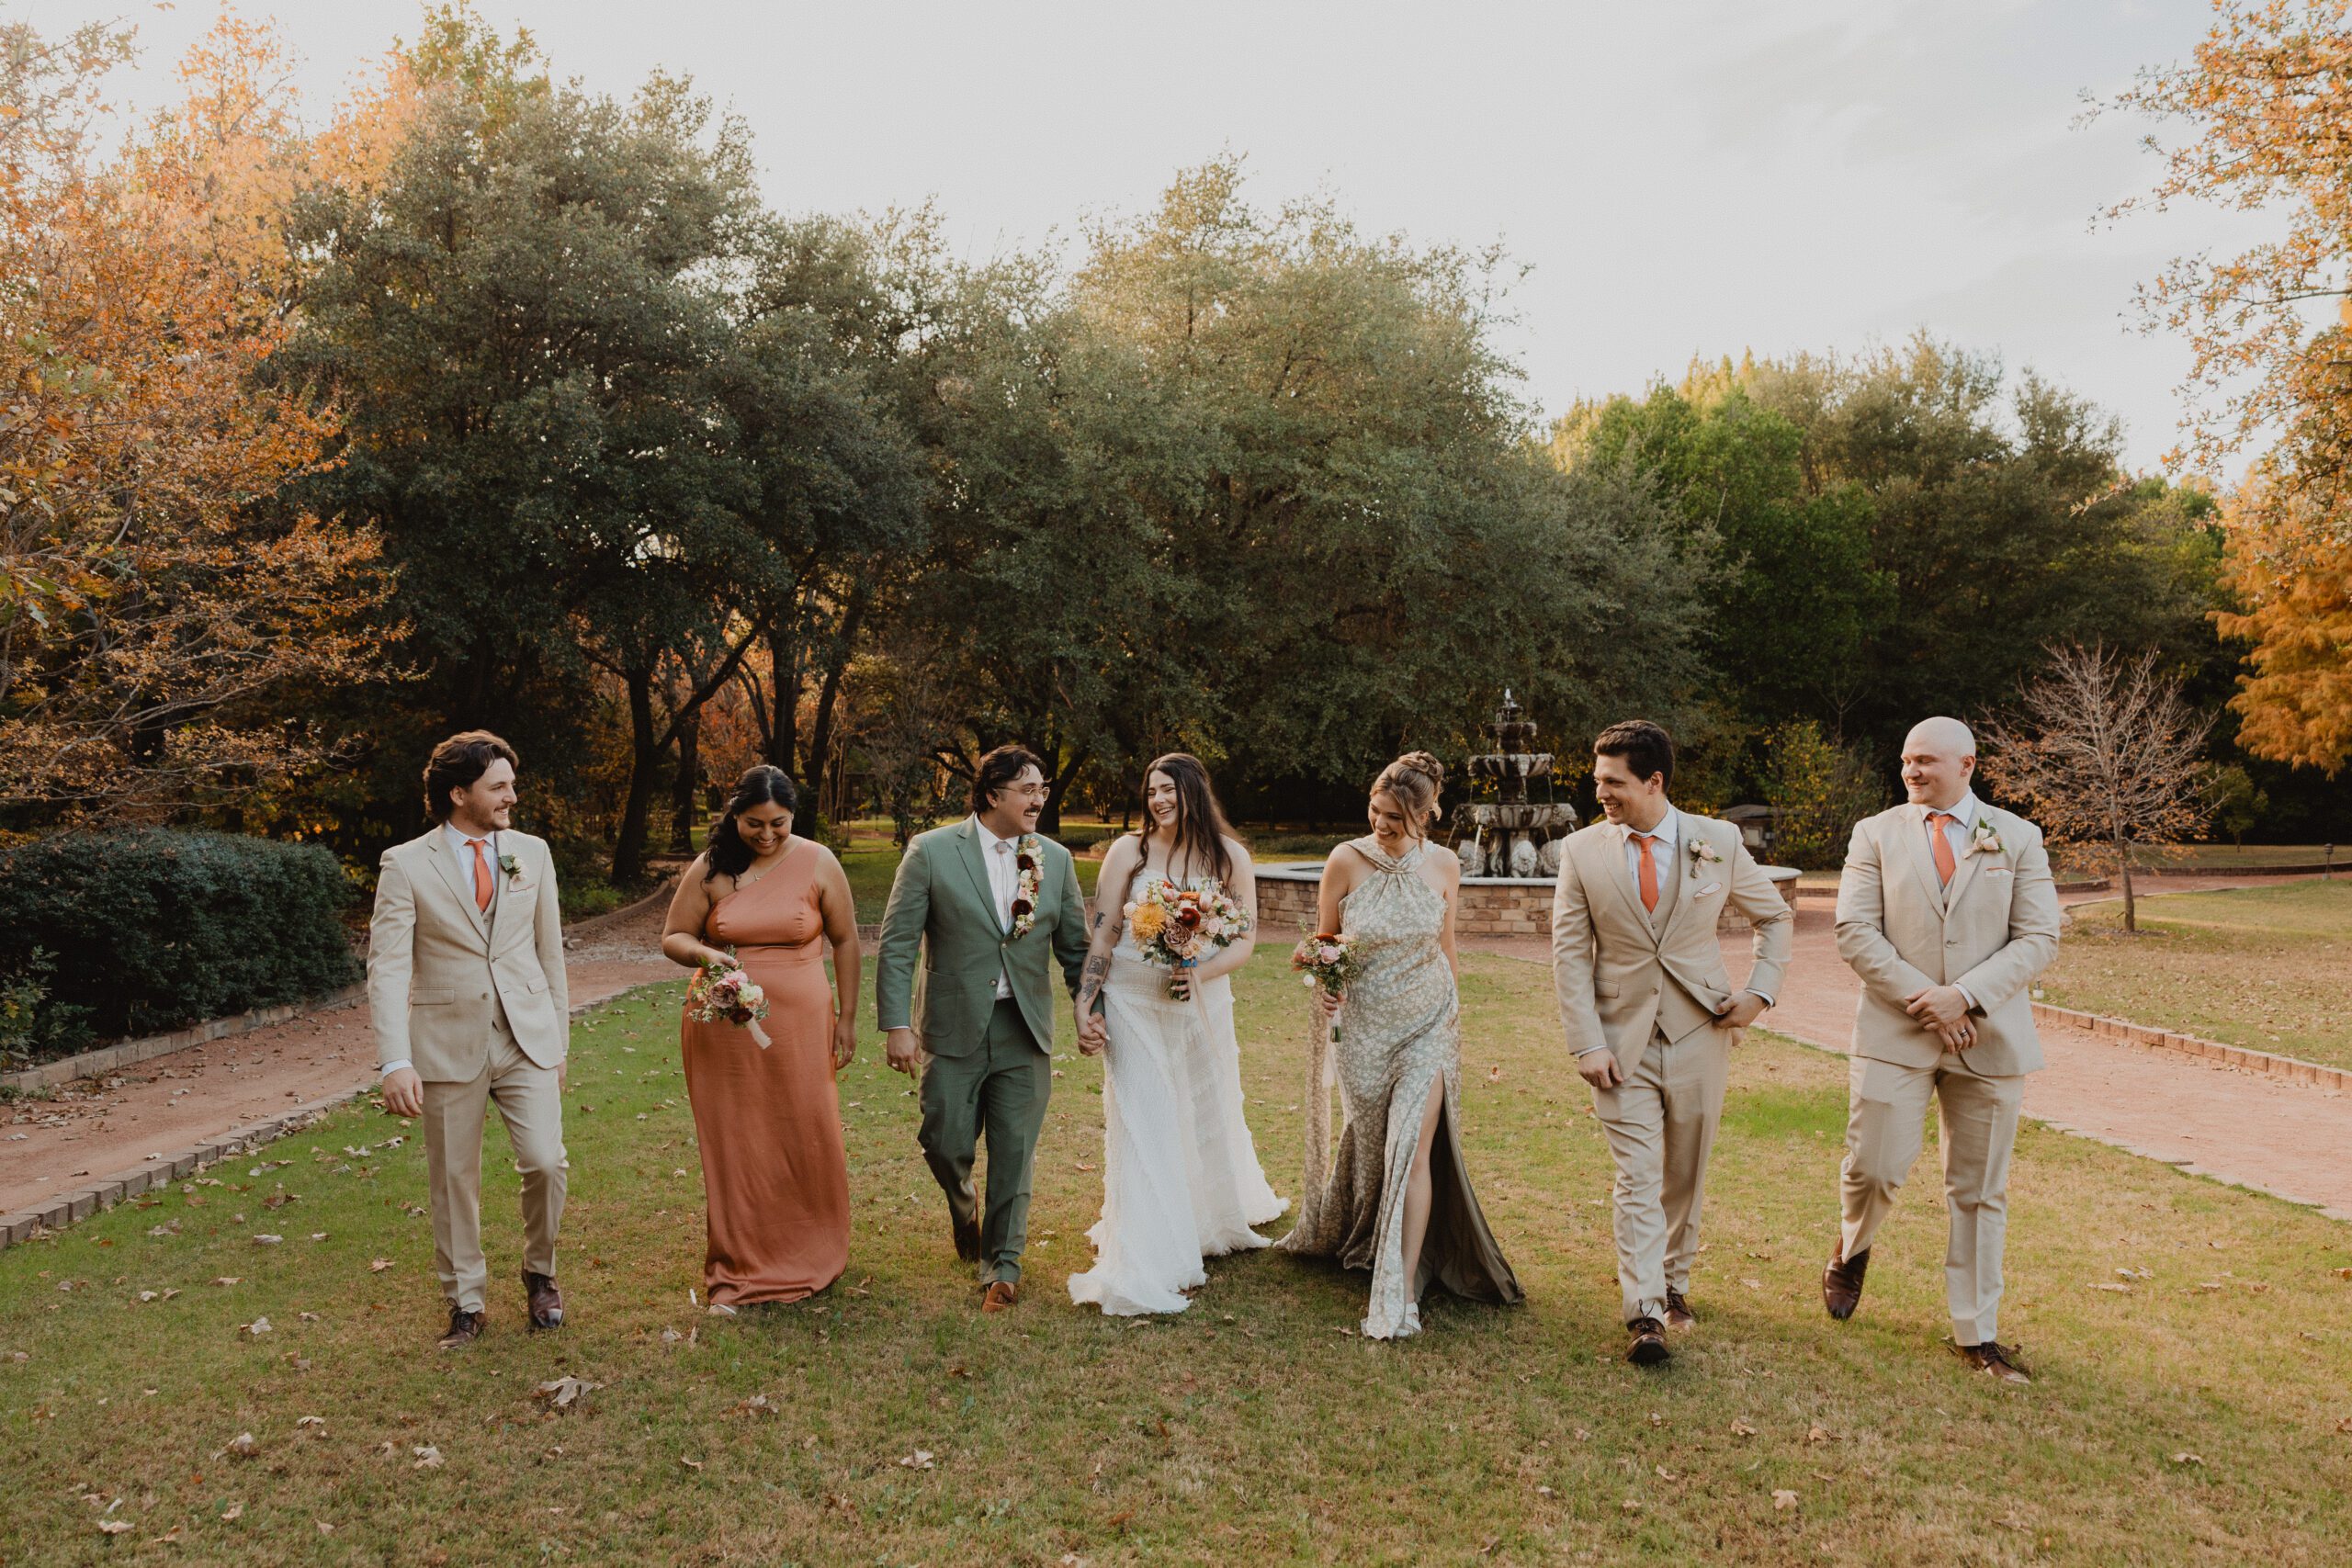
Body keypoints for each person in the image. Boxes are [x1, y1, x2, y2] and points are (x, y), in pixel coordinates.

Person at [1824, 716, 2060, 1384]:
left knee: (1979, 1190)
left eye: (1925, 760)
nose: (1912, 770)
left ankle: (1976, 1333)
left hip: (1989, 1036)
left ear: (1967, 764)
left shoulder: (2018, 837)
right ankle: (1853, 1244)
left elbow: (2039, 936)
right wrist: (1931, 1001)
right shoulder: (1874, 833)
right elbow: (1854, 930)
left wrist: (1967, 997)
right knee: (1874, 1166)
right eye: (1906, 760)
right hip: (1896, 1029)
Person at [1549, 720, 1792, 1366]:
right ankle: (1646, 1313)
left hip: (1701, 1030)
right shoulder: (1580, 851)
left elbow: (1774, 915)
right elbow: (1569, 955)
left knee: (1685, 1170)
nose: (1600, 792)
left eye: (1613, 781)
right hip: (1617, 1041)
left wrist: (1760, 994)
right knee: (1637, 1176)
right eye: (1598, 779)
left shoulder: (1718, 840)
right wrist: (1586, 1042)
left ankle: (1675, 1281)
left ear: (1654, 781)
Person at [1277, 751, 1523, 1338]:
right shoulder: (1345, 860)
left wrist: (1454, 1020)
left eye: (1395, 816)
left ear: (1425, 815)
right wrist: (1325, 983)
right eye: (1376, 810)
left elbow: (1447, 945)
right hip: (1364, 1030)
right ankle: (1362, 1233)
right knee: (1374, 1148)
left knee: (1411, 1148)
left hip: (1429, 1025)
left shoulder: (1445, 865)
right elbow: (1324, 943)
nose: (1381, 824)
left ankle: (1403, 1291)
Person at [368, 731, 570, 1348]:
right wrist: (395, 1060)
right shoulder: (405, 864)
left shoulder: (532, 853)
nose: (512, 795)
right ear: (460, 794)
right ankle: (467, 1302)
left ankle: (540, 1271)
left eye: (511, 783)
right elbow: (387, 967)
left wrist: (559, 1041)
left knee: (546, 1161)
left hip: (526, 1037)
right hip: (446, 1042)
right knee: (454, 1178)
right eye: (498, 786)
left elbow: (550, 953)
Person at [1066, 754, 1286, 1315]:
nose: (1158, 800)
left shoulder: (1229, 857)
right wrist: (1086, 1000)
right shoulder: (1128, 851)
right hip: (1132, 1000)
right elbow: (1105, 932)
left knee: (1198, 1109)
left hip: (1199, 1003)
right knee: (1144, 1116)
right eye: (1151, 791)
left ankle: (1200, 1215)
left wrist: (1200, 973)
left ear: (1193, 792)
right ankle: (1148, 1248)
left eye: (1168, 789)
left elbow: (1245, 940)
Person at [874, 746, 1090, 1312]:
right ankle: (964, 1204)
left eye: (1042, 789)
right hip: (951, 1025)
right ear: (992, 794)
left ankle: (1003, 1267)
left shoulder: (1055, 860)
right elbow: (897, 944)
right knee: (944, 1142)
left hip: (1025, 1027)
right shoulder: (931, 851)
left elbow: (1075, 948)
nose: (1039, 799)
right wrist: (897, 1024)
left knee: (1015, 1152)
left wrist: (1089, 1006)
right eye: (1027, 789)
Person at [661, 766, 861, 1313]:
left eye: (778, 823)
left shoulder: (819, 861)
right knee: (738, 1141)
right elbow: (673, 936)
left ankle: (810, 1244)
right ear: (734, 815)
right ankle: (739, 1259)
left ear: (793, 816)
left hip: (801, 1023)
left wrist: (846, 1018)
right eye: (754, 823)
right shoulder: (712, 865)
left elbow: (845, 941)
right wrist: (705, 954)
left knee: (805, 1127)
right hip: (723, 1027)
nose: (767, 834)